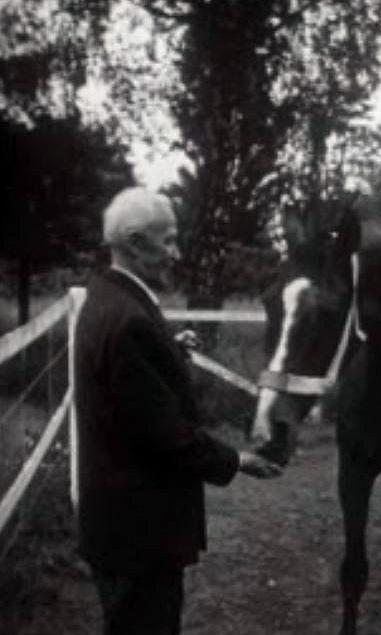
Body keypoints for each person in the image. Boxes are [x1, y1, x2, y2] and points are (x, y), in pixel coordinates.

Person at [73, 186, 283, 635]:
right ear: (134, 241)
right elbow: (166, 434)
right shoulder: (128, 320)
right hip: (139, 534)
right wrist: (237, 461)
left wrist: (169, 347)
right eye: (167, 240)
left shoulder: (108, 297)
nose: (175, 252)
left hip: (117, 525)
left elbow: (129, 374)